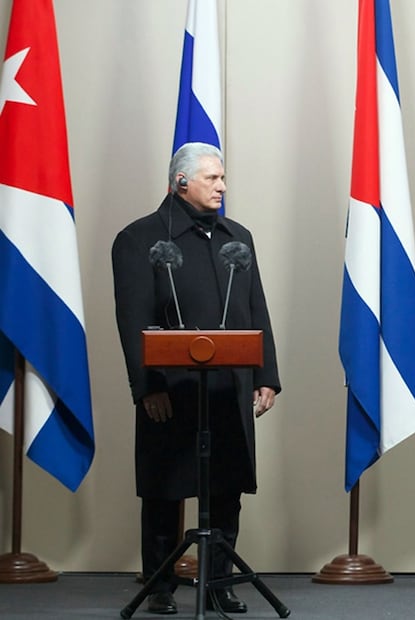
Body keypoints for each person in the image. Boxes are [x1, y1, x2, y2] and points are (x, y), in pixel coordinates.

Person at [112, 142, 280, 615]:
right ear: (181, 182)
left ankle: (219, 583)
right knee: (166, 488)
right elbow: (133, 321)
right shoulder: (139, 239)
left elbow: (257, 311)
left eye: (223, 178)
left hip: (228, 389)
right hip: (172, 390)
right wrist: (148, 387)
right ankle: (161, 585)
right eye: (213, 178)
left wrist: (266, 374)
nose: (223, 186)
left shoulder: (237, 237)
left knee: (226, 488)